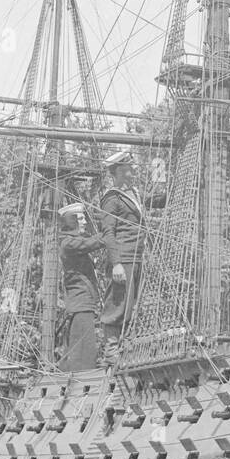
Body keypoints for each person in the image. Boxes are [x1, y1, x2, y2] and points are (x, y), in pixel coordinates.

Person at [98, 149, 146, 366]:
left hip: (136, 256)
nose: (133, 169)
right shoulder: (112, 199)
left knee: (131, 304)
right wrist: (116, 263)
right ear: (118, 170)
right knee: (117, 303)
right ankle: (111, 351)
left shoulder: (132, 194)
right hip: (123, 258)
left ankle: (125, 345)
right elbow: (108, 233)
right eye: (129, 166)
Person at [57, 202, 105, 371]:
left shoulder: (72, 242)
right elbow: (90, 243)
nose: (85, 222)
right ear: (71, 221)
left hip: (82, 302)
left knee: (78, 346)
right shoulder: (69, 244)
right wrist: (109, 233)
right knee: (83, 349)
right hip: (81, 303)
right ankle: (82, 382)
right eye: (81, 218)